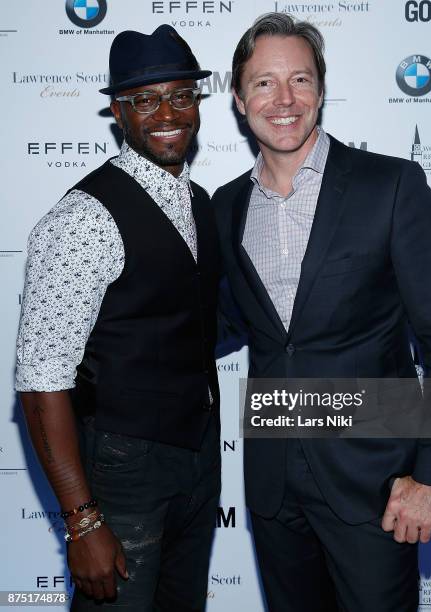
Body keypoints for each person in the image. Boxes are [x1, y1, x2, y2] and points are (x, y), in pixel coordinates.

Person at [211, 12, 431, 612]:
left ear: (321, 90)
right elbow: (230, 323)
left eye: (300, 80)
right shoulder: (227, 206)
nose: (283, 100)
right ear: (238, 97)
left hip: (376, 483)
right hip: (274, 481)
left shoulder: (389, 185)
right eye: (264, 83)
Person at [16, 25, 221, 611]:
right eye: (145, 100)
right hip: (123, 468)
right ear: (117, 112)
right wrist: (83, 523)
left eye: (181, 95)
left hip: (198, 460)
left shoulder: (198, 201)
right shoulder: (83, 219)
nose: (167, 113)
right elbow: (40, 384)